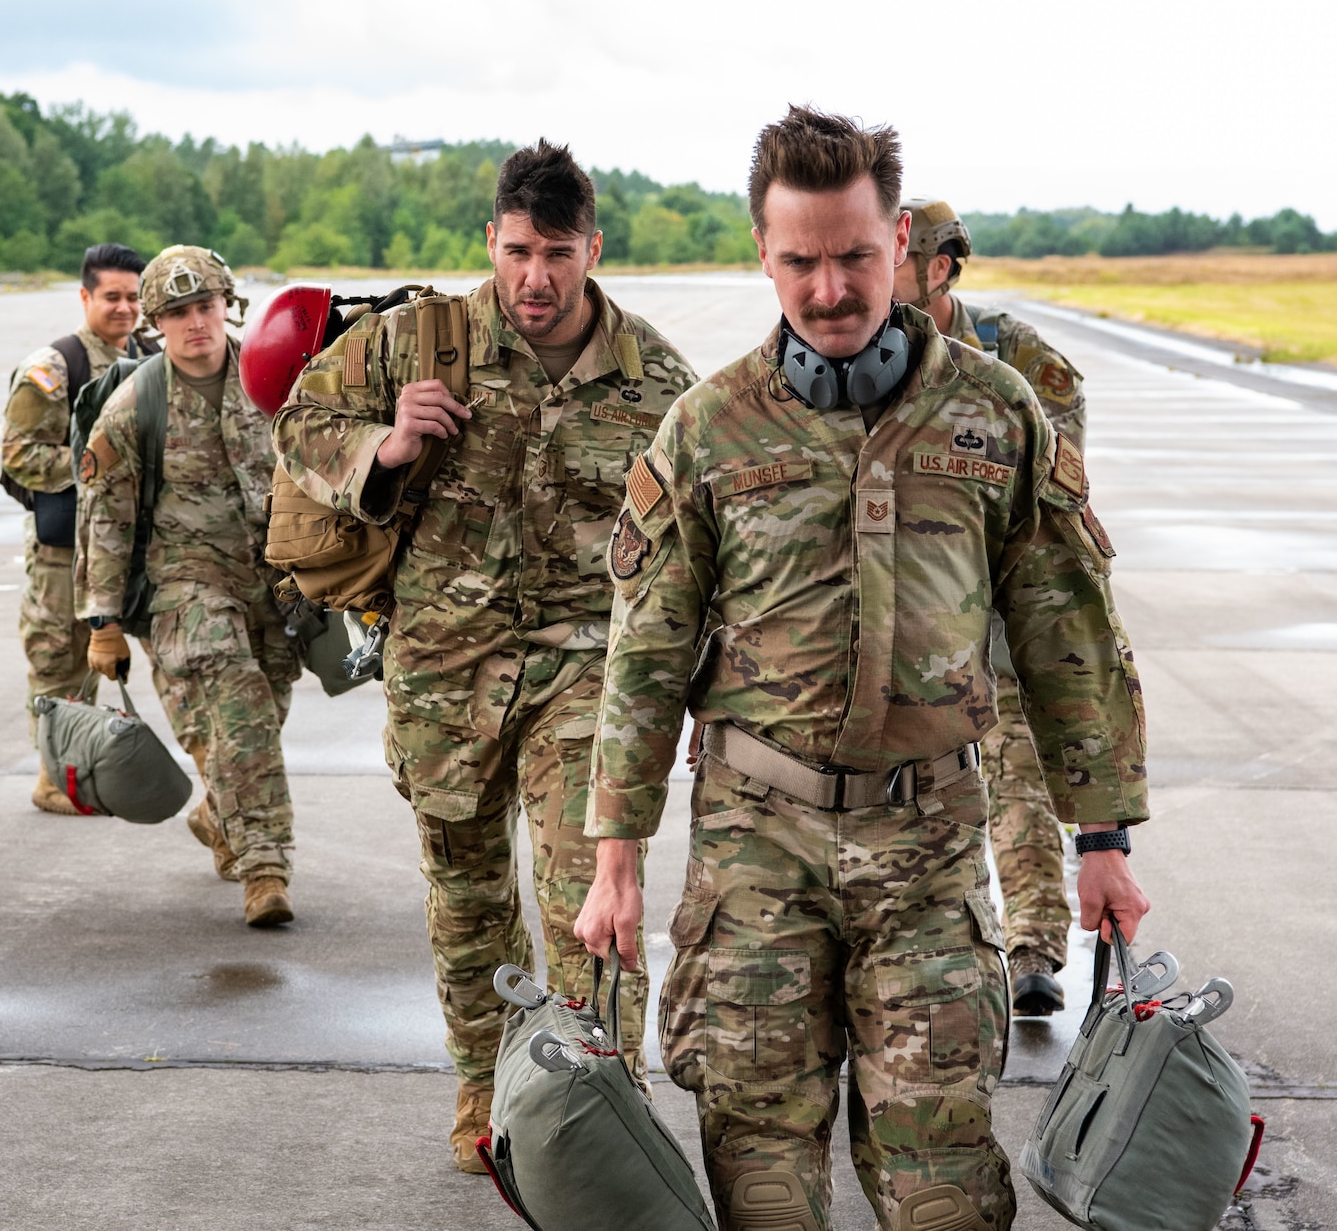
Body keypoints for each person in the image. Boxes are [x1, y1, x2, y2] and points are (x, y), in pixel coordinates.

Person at [575, 107, 1151, 1231]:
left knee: (939, 1176)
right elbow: (642, 654)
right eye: (799, 261)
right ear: (761, 253)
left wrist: (1101, 839)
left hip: (929, 840)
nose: (829, 289)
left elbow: (1063, 633)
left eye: (852, 256)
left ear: (899, 242)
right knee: (759, 1169)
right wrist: (614, 855)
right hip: (753, 844)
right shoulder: (706, 428)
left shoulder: (994, 414)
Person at [274, 141, 698, 1174]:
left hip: (584, 677)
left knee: (585, 899)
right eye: (516, 251)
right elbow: (295, 423)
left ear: (592, 248)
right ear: (490, 243)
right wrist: (381, 444)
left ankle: (605, 1101)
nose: (534, 278)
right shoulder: (415, 343)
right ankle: (485, 1085)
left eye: (557, 252)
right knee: (467, 901)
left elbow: (703, 539)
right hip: (443, 673)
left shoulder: (656, 380)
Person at [75, 245, 302, 927]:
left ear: (226, 307)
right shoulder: (132, 407)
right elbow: (105, 521)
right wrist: (104, 624)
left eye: (204, 306)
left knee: (261, 715)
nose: (195, 323)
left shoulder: (272, 379)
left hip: (269, 586)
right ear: (156, 321)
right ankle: (266, 868)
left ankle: (219, 814)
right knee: (239, 716)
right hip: (183, 591)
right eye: (177, 312)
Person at [896, 198, 1086, 1015]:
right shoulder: (862, 352)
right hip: (905, 615)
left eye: (893, 260)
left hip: (997, 609)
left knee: (1018, 774)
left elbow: (1056, 490)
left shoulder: (1021, 362)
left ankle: (1035, 949)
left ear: (938, 269)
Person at [0, 243, 151, 815]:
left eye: (134, 297)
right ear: (85, 296)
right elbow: (19, 455)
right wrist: (98, 468)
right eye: (111, 296)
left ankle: (80, 771)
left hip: (127, 545)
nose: (124, 308)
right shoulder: (54, 367)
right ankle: (52, 779)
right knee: (58, 659)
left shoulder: (150, 358)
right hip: (64, 550)